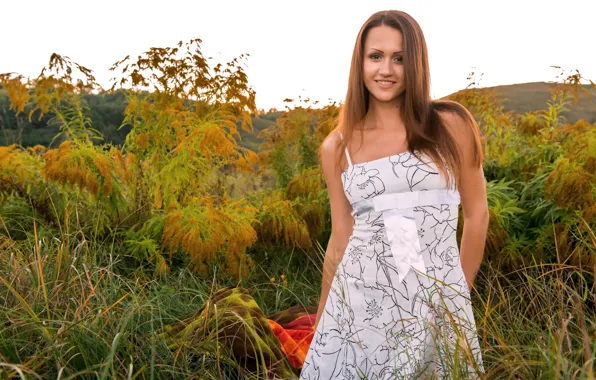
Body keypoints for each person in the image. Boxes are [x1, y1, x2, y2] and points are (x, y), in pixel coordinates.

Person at [300, 10, 489, 379]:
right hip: (360, 300)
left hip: (438, 300)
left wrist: (455, 296)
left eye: (399, 58)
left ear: (415, 64)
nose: (386, 69)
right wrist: (322, 318)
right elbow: (341, 237)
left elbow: (477, 215)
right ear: (361, 63)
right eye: (376, 56)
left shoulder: (451, 125)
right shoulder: (339, 146)